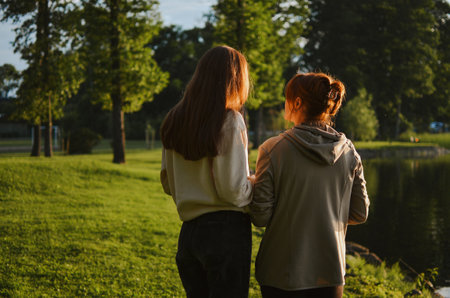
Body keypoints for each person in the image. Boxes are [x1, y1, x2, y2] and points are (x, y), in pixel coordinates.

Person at [249, 72, 370, 298]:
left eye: (286, 98)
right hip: (330, 273)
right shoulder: (349, 152)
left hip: (281, 273)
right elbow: (360, 213)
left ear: (296, 102)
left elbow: (260, 216)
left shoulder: (272, 150)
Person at [160, 45, 253, 298]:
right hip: (226, 234)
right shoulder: (230, 120)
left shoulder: (174, 118)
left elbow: (168, 183)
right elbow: (233, 191)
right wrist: (253, 183)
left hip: (189, 234)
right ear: (235, 79)